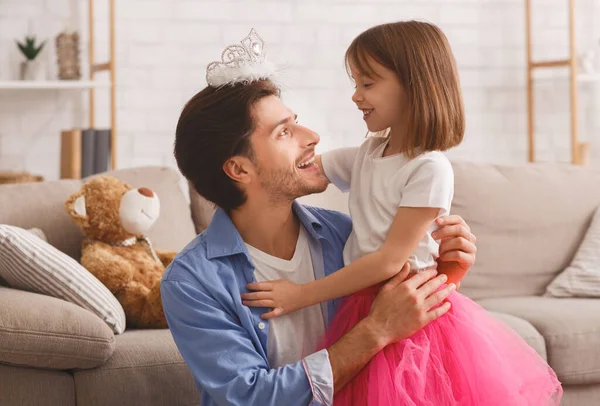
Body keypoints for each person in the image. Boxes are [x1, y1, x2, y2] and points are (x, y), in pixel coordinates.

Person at [243, 21, 563, 405]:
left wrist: (301, 295)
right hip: (364, 306)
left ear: (414, 85)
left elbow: (388, 261)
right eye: (355, 84)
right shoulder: (368, 154)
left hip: (407, 308)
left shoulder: (428, 168)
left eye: (368, 83)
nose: (356, 97)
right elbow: (299, 171)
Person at [161, 28, 477, 406]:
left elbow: (414, 330)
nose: (311, 136)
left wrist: (447, 268)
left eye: (297, 121)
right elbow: (252, 398)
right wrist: (374, 332)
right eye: (284, 132)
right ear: (239, 170)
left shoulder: (345, 236)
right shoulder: (193, 282)